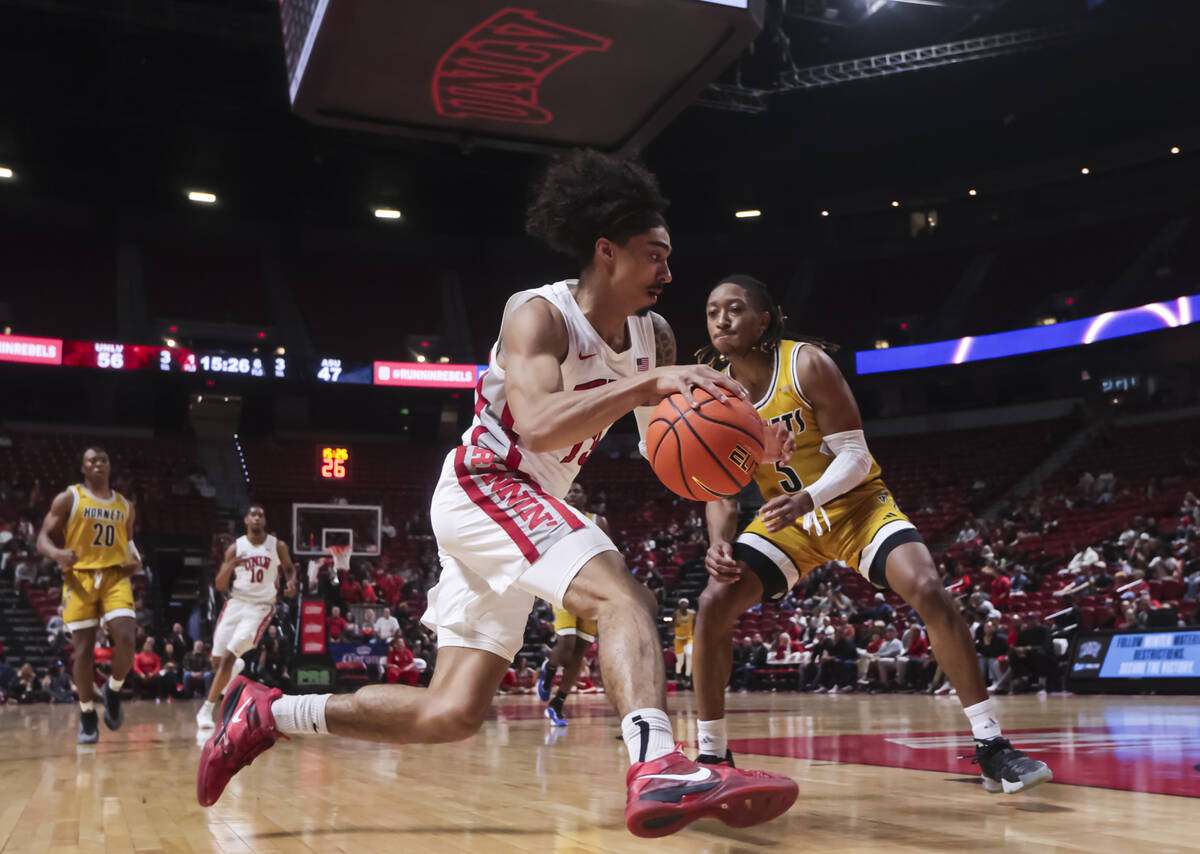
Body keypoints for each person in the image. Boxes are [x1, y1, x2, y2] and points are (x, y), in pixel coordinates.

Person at [197, 149, 798, 837]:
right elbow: (539, 426)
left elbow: (672, 443)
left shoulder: (652, 336)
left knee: (449, 714)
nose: (668, 271)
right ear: (606, 252)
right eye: (654, 255)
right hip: (488, 483)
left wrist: (745, 453)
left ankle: (266, 713)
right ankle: (656, 761)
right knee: (622, 596)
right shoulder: (537, 315)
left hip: (527, 506)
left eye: (668, 257)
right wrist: (647, 386)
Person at [691, 274, 1051, 794]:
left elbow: (856, 457)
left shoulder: (806, 363)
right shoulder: (717, 392)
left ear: (763, 318)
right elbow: (721, 487)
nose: (721, 320)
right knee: (712, 603)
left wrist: (808, 498)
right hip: (788, 523)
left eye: (734, 308)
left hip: (856, 506)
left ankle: (992, 746)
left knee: (927, 588)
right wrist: (718, 540)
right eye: (711, 311)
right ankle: (712, 755)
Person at [36, 446, 141, 743]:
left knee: (126, 638)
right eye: (92, 460)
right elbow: (42, 537)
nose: (99, 463)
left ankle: (113, 689)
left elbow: (128, 540)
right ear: (83, 467)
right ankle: (86, 713)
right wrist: (57, 553)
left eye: (104, 459)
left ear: (110, 466)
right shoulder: (69, 498)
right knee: (83, 651)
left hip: (114, 576)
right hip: (79, 578)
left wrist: (136, 557)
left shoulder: (125, 505)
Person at [195, 505, 296, 730]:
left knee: (230, 656)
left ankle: (206, 709)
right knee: (217, 662)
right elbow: (220, 584)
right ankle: (230, 676)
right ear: (246, 520)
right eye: (253, 514)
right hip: (235, 604)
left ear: (265, 520)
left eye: (261, 514)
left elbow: (289, 569)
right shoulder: (235, 548)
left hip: (260, 608)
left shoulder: (277, 546)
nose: (257, 518)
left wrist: (291, 582)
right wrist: (229, 566)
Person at [537, 481, 611, 726]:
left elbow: (611, 558)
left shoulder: (598, 521)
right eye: (567, 490)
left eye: (576, 490)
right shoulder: (555, 520)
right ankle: (549, 668)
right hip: (565, 586)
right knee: (566, 643)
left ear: (585, 497)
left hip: (593, 590)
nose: (571, 494)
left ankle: (558, 704)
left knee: (580, 652)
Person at [670, 597, 696, 689]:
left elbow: (695, 624)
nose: (683, 605)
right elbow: (671, 626)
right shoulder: (675, 614)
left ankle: (688, 676)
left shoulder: (692, 613)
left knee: (689, 654)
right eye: (682, 603)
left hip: (688, 638)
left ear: (687, 604)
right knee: (680, 659)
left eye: (685, 603)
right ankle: (678, 674)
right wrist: (673, 626)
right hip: (679, 638)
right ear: (679, 604)